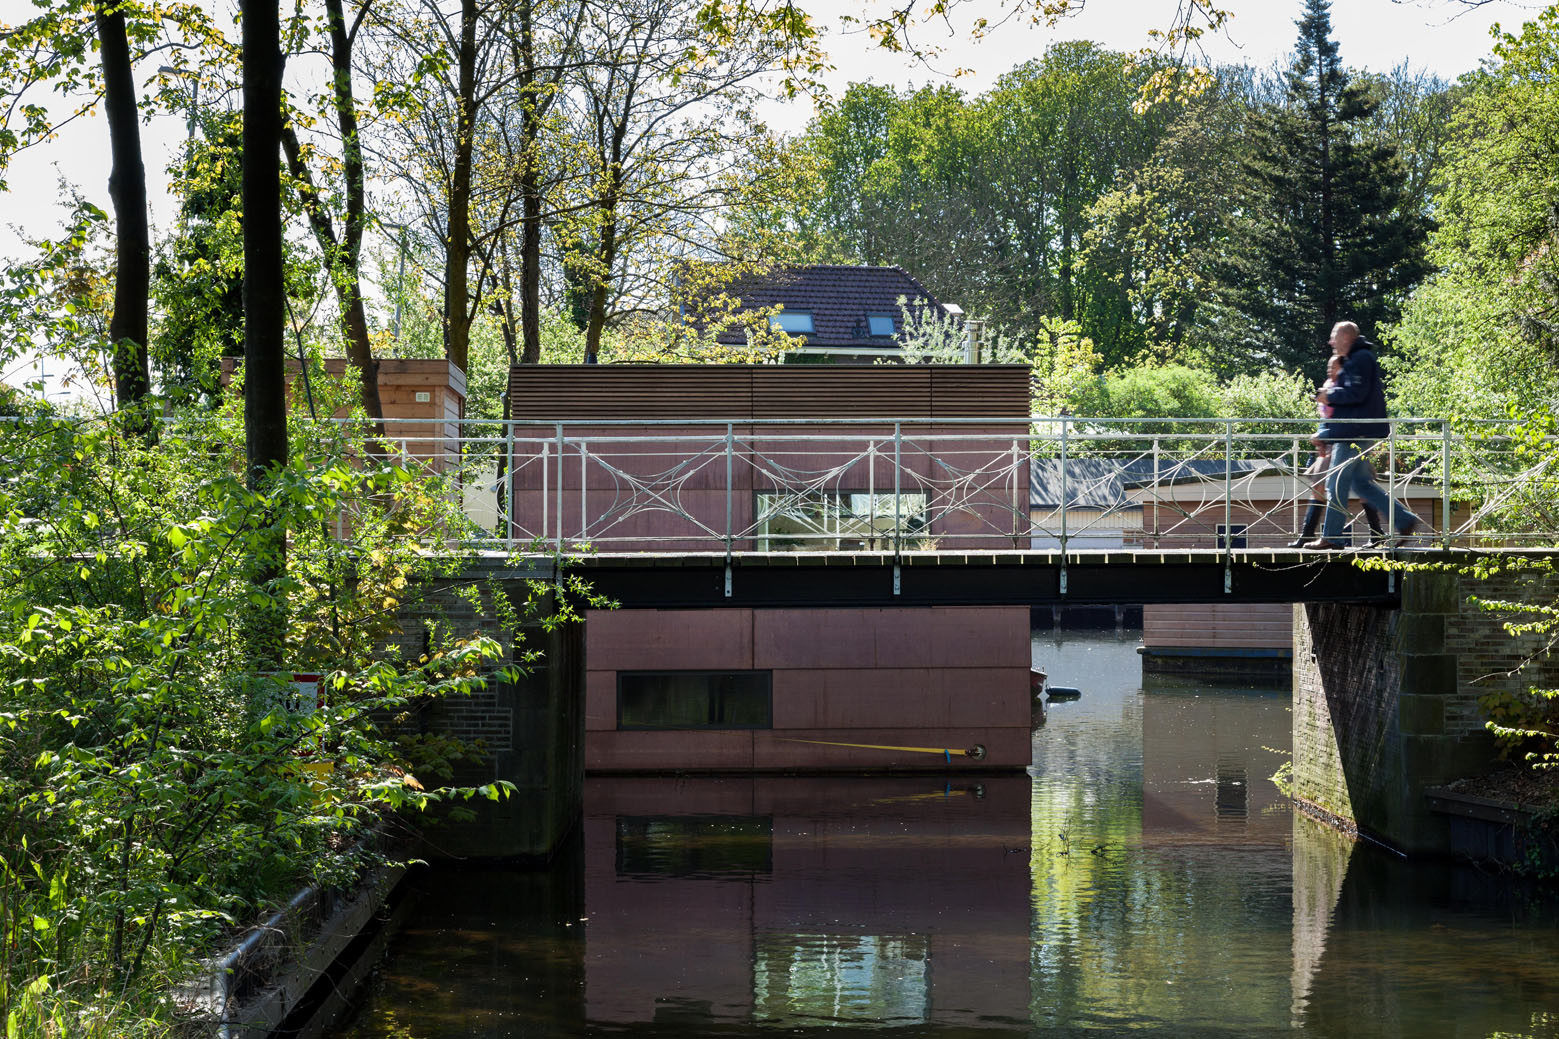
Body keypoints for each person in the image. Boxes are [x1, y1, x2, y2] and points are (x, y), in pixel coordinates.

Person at [1302, 322, 1422, 550]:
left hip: (1354, 432)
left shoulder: (1360, 359)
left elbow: (1357, 393)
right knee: (1361, 483)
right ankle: (1404, 520)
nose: (1330, 342)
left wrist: (1329, 395)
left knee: (1336, 482)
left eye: (1333, 337)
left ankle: (1332, 537)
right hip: (1355, 430)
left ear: (1346, 338)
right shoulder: (1358, 358)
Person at [1289, 352, 1384, 547]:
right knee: (1325, 487)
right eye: (1329, 367)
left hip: (1343, 442)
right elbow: (1326, 420)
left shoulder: (1345, 390)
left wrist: (1323, 437)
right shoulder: (1329, 387)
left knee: (1353, 486)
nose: (1330, 370)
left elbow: (1344, 421)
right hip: (1331, 443)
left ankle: (1373, 533)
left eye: (1334, 367)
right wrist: (1320, 437)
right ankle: (1375, 533)